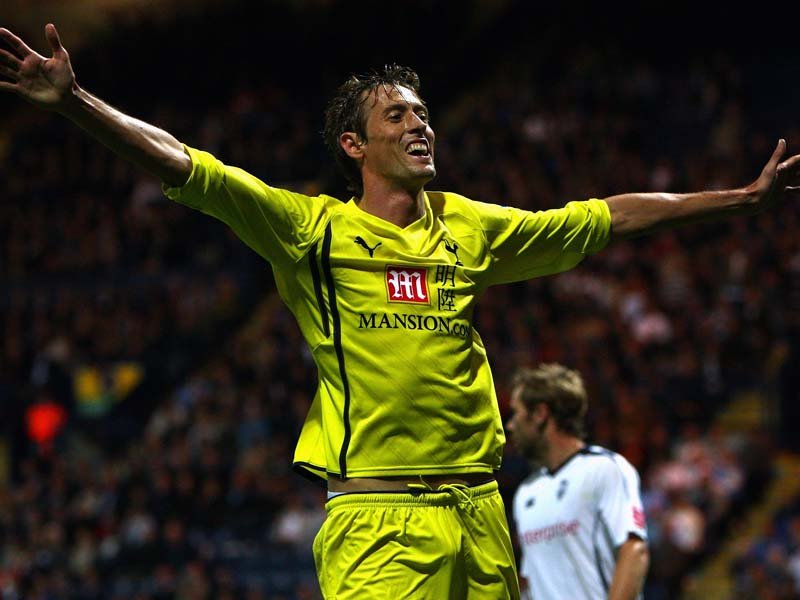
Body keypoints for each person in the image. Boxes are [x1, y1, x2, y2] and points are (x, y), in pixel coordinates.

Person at [1, 23, 798, 600]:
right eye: (398, 116)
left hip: (482, 511)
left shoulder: (469, 224)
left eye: (423, 114)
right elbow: (190, 168)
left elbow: (602, 219)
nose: (421, 125)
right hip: (380, 519)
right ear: (354, 145)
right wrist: (75, 103)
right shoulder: (310, 229)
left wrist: (736, 200)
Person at [506, 363, 649, 600]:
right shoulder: (526, 493)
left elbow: (634, 550)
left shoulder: (604, 469)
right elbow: (533, 582)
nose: (510, 426)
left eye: (516, 413)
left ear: (540, 414)